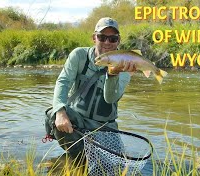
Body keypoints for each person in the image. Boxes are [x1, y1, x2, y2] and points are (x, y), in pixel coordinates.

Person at [51, 17, 136, 161]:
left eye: (113, 38)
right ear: (94, 38)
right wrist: (60, 110)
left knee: (114, 168)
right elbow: (63, 82)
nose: (107, 43)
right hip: (78, 122)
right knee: (51, 115)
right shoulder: (79, 56)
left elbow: (111, 98)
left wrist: (113, 73)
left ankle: (86, 160)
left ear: (118, 41)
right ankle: (79, 159)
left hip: (106, 127)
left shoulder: (125, 63)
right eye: (102, 37)